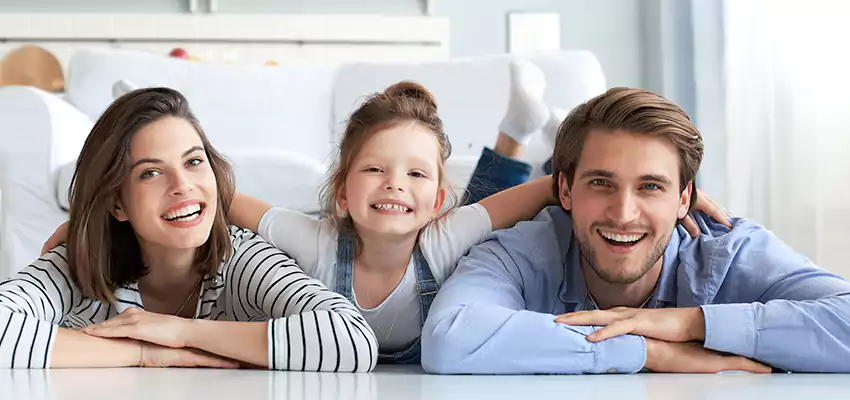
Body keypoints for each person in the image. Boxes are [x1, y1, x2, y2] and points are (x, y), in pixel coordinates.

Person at [42, 61, 728, 364]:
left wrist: (637, 194)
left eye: (412, 179)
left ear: (434, 201)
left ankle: (517, 133)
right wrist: (98, 216)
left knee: (482, 196)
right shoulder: (313, 244)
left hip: (463, 209)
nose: (390, 186)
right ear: (341, 190)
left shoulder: (442, 234)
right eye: (370, 172)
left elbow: (523, 200)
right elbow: (234, 204)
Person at [421, 87, 850, 374]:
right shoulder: (522, 250)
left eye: (650, 186)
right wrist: (647, 350)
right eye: (601, 183)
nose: (624, 213)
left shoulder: (726, 250)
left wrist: (690, 324)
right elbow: (448, 338)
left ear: (685, 199)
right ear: (565, 191)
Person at [1, 87, 377, 371]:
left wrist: (182, 332)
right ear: (117, 203)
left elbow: (352, 339)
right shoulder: (77, 262)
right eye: (150, 172)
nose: (182, 185)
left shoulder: (241, 257)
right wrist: (143, 351)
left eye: (194, 162)